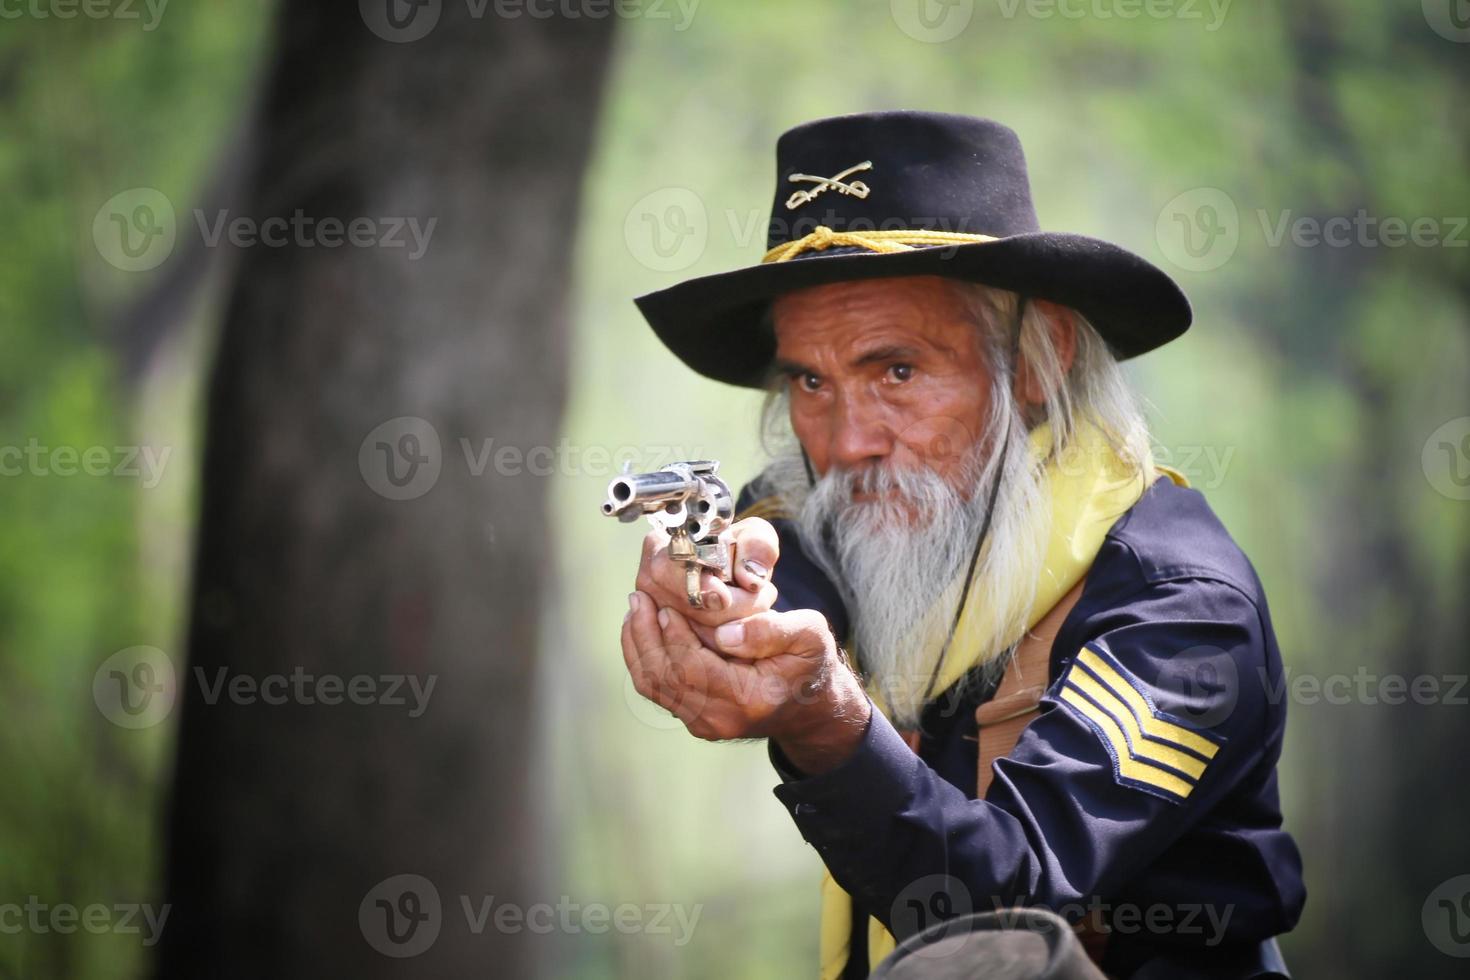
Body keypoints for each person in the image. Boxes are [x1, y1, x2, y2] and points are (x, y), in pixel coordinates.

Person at [619, 110, 1304, 979]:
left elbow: (1006, 909)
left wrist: (823, 721)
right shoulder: (837, 504)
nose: (848, 441)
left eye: (897, 372)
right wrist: (714, 601)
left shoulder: (1181, 608)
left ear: (1032, 360)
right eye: (810, 381)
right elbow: (773, 553)